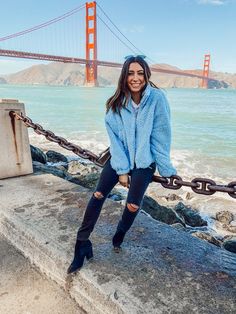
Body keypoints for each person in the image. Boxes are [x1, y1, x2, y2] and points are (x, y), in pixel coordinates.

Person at [67, 55, 177, 274]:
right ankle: (81, 243)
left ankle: (120, 233)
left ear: (146, 75)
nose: (135, 78)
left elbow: (162, 136)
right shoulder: (115, 103)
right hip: (119, 157)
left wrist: (166, 169)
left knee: (133, 205)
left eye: (140, 73)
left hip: (145, 160)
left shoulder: (157, 99)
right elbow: (115, 141)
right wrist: (122, 170)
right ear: (124, 76)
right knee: (98, 194)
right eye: (130, 73)